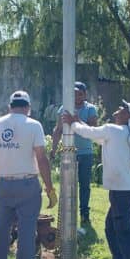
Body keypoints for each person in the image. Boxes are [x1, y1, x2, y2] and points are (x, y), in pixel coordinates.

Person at [0, 90, 57, 259]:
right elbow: (41, 159)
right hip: (28, 186)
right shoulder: (34, 125)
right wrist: (50, 188)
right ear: (28, 108)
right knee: (26, 234)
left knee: (1, 233)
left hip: (4, 186)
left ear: (10, 107)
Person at [61, 101, 130, 259]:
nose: (116, 111)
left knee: (123, 228)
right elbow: (96, 137)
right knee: (111, 226)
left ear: (129, 116)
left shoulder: (114, 130)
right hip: (127, 188)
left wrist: (73, 122)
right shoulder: (123, 132)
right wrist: (78, 122)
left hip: (122, 189)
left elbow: (91, 133)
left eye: (121, 110)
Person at [50, 81, 99, 224]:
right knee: (68, 184)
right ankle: (67, 212)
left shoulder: (90, 109)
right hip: (68, 152)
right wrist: (53, 149)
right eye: (74, 94)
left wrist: (77, 121)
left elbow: (93, 129)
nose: (77, 97)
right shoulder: (64, 109)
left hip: (85, 152)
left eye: (80, 94)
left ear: (85, 95)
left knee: (84, 185)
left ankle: (84, 213)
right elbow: (58, 129)